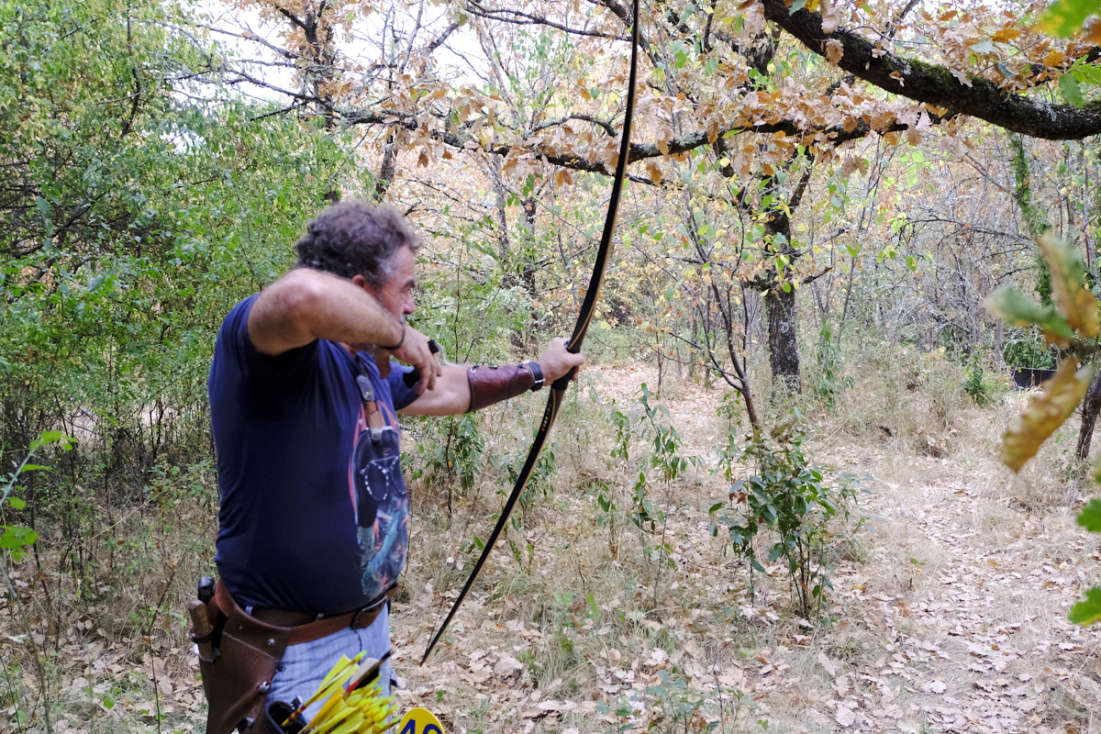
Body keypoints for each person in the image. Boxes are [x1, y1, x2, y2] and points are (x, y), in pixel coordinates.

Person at [205, 200, 584, 725]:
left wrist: (539, 370)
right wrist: (398, 336)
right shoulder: (271, 353)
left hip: (366, 636)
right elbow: (302, 295)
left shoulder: (365, 362)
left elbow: (448, 386)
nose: (411, 305)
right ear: (361, 289)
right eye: (406, 289)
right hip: (290, 655)